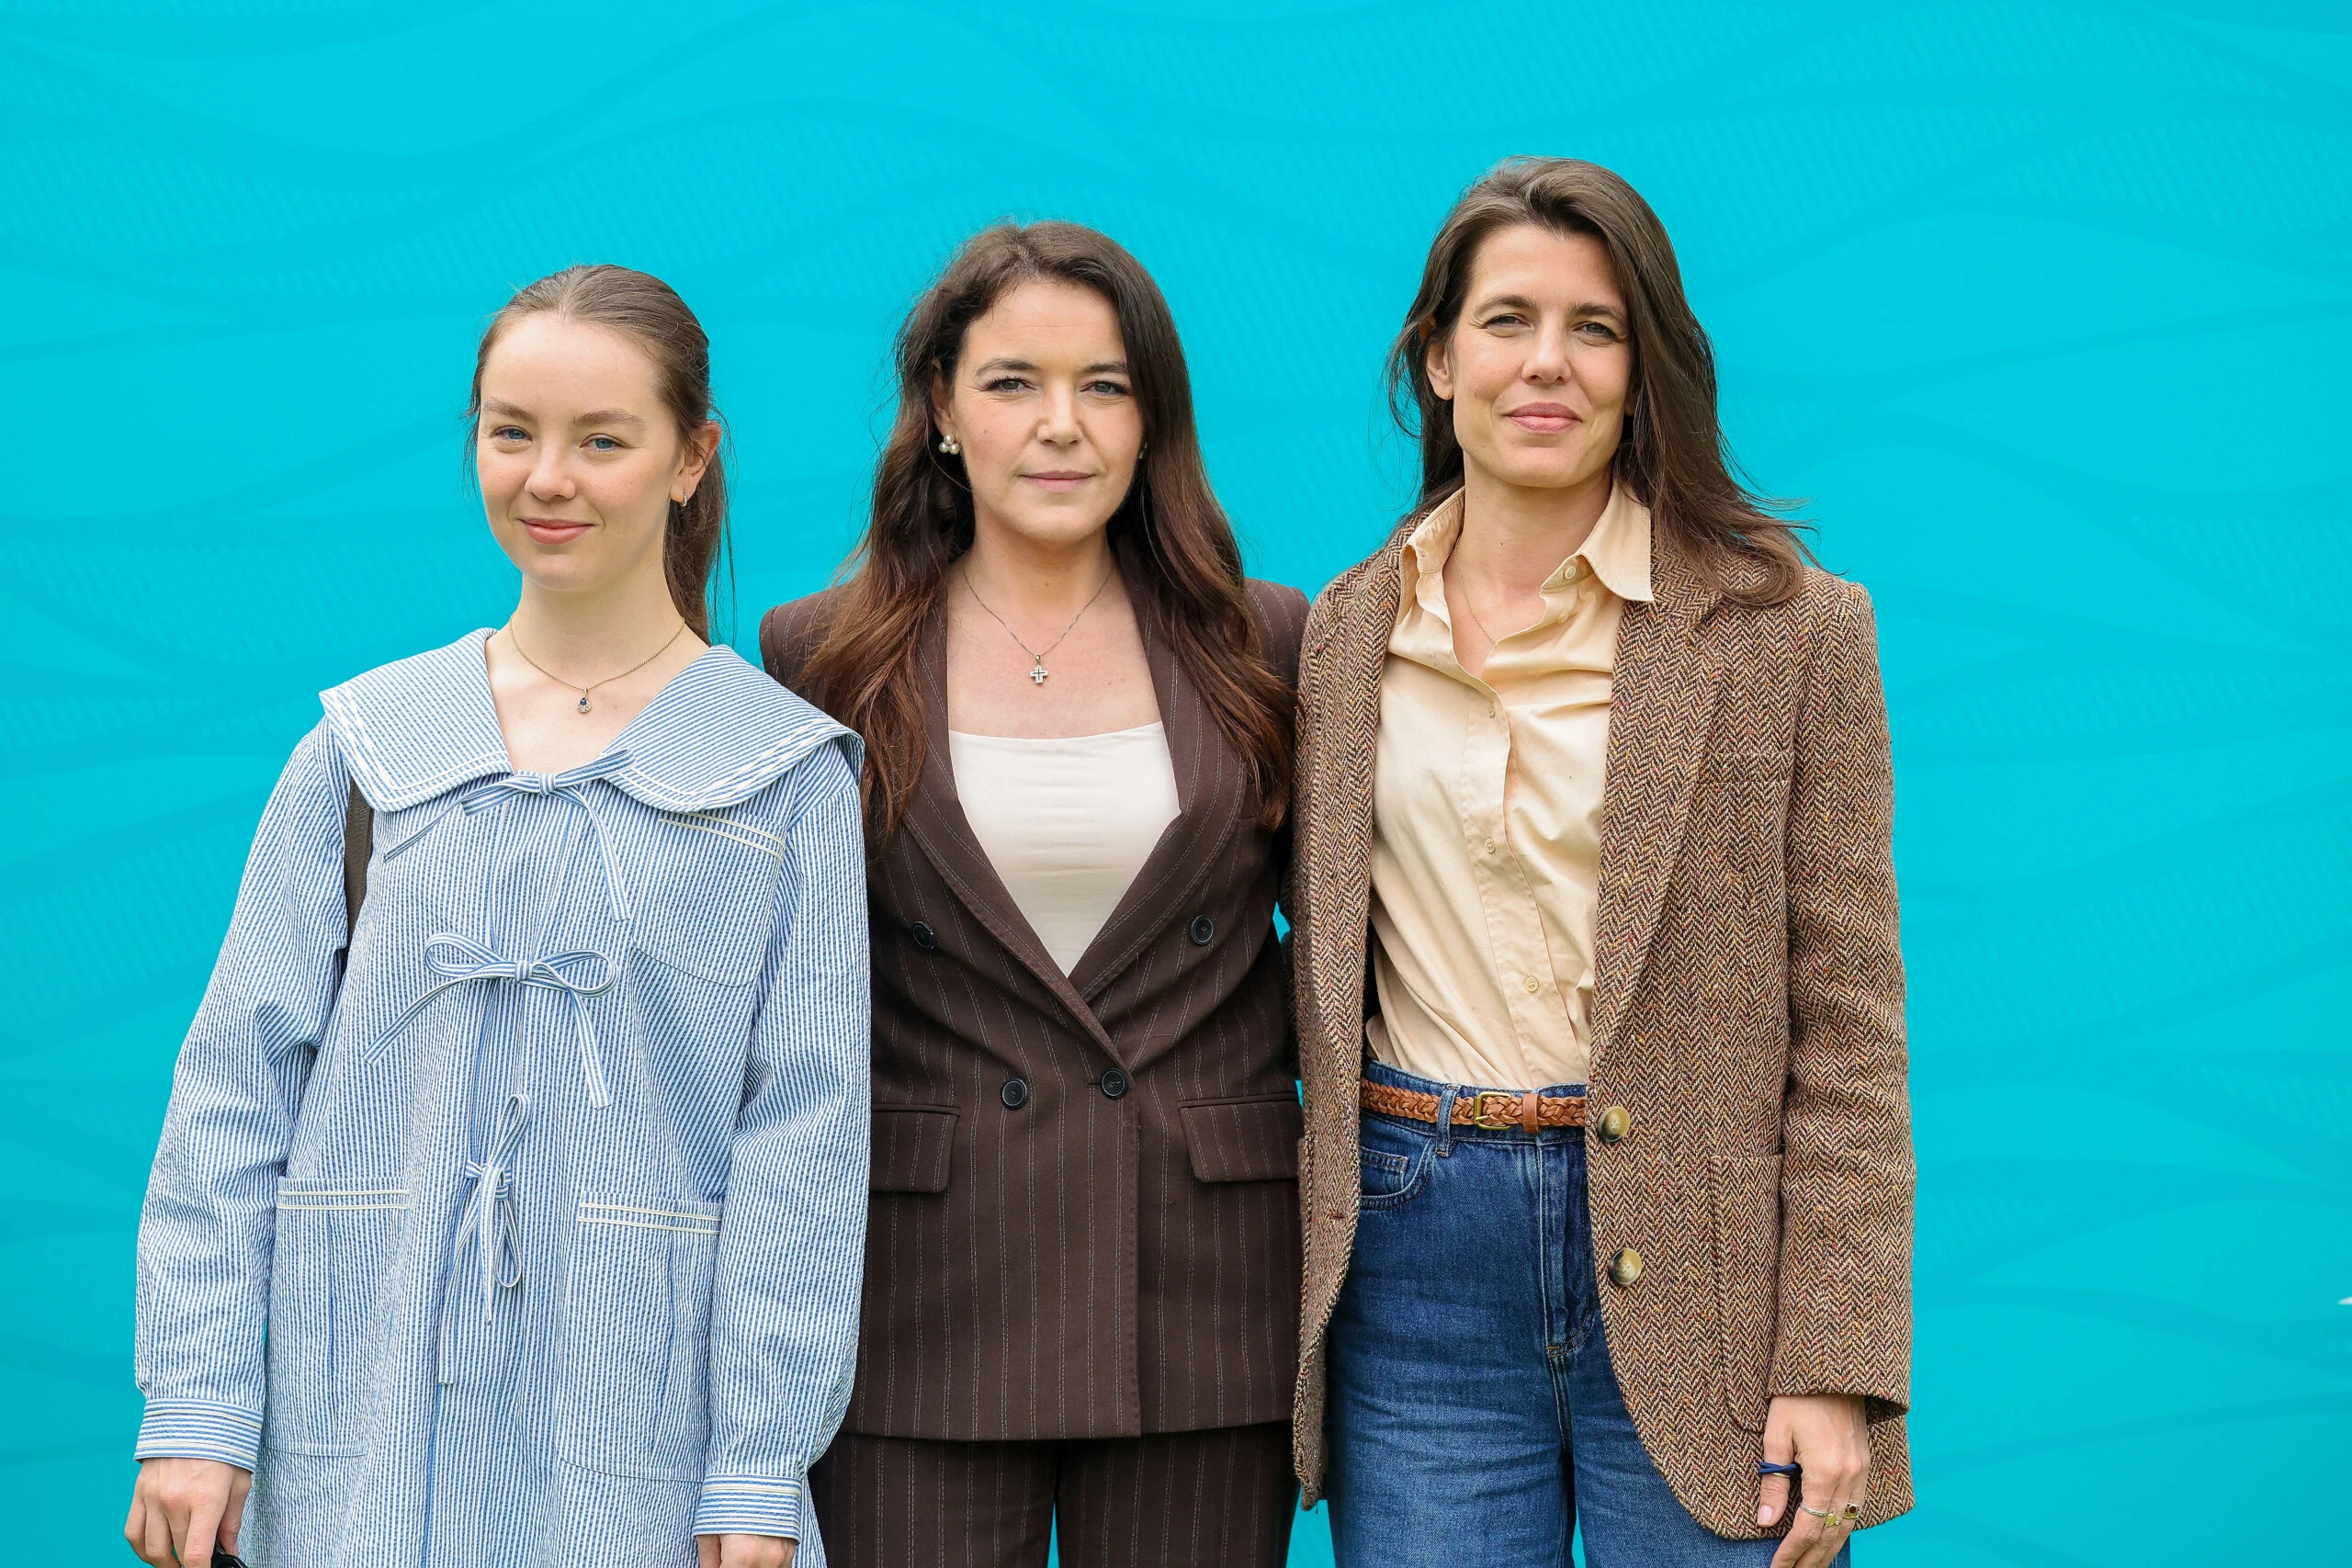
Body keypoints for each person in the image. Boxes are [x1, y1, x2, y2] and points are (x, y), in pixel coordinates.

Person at [125, 265, 871, 1568]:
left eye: (603, 439)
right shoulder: (366, 752)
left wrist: (757, 1467)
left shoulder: (783, 776)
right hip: (368, 1412)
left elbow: (801, 1145)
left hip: (642, 1434)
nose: (547, 478)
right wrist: (196, 1405)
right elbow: (235, 1089)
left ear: (693, 459)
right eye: (511, 430)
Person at [1287, 158, 1914, 1567]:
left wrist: (1835, 1359)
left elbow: (1853, 1033)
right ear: (1437, 359)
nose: (1546, 364)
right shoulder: (1339, 638)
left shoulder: (1791, 631)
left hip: (1707, 1272)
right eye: (1506, 321)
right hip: (1417, 1257)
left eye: (1596, 325)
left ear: (1647, 367)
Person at [761, 220, 1306, 1568]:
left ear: (1151, 419)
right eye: (1011, 383)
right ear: (941, 408)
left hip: (1202, 1293)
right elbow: (784, 1005)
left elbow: (1349, 965)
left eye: (1105, 386)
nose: (1060, 426)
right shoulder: (817, 657)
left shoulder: (1274, 641)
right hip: (921, 1300)